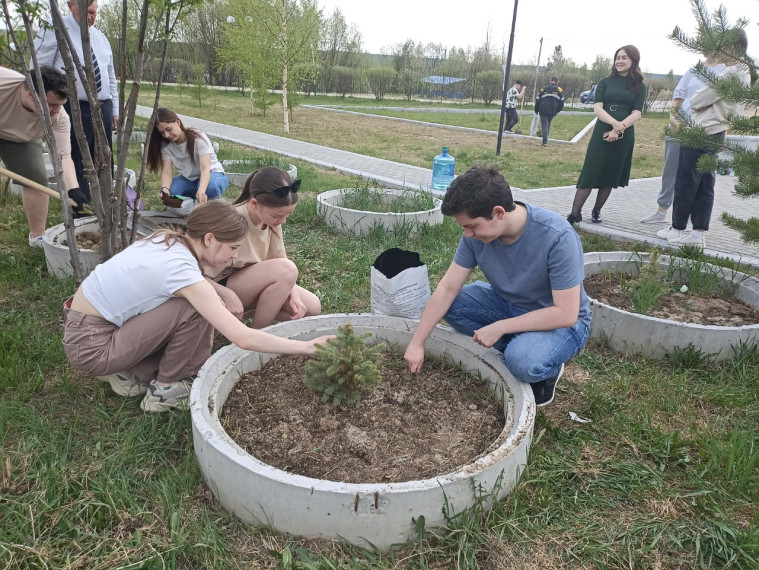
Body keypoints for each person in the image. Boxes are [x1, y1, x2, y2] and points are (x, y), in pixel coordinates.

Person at [62, 199, 333, 413]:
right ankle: (165, 391)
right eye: (233, 248)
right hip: (91, 346)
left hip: (87, 327)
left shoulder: (166, 239)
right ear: (210, 239)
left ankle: (127, 371)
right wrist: (306, 347)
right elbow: (242, 337)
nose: (235, 256)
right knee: (197, 308)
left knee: (199, 299)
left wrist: (221, 291)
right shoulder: (183, 273)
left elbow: (178, 281)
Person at [403, 164, 592, 407]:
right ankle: (518, 342)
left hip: (562, 323)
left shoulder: (557, 237)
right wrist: (417, 343)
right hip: (509, 305)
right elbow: (447, 288)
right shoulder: (476, 235)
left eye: (471, 226)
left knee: (522, 362)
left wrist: (500, 326)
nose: (468, 235)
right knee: (450, 305)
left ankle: (546, 367)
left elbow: (566, 314)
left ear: (499, 213)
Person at [657, 29, 754, 248]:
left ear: (732, 45)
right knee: (705, 183)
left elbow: (698, 99)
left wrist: (702, 102)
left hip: (703, 130)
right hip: (717, 129)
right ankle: (698, 233)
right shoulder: (744, 71)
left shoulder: (731, 72)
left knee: (686, 181)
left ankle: (678, 228)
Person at [202, 166, 321, 329]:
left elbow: (281, 258)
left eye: (287, 215)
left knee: (312, 308)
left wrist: (294, 296)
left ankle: (252, 316)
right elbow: (194, 271)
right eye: (278, 216)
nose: (283, 221)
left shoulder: (271, 221)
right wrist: (226, 293)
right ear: (254, 204)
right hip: (218, 289)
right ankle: (258, 334)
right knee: (286, 269)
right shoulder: (232, 221)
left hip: (253, 284)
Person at [35, 0, 118, 205]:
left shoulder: (101, 38)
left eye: (94, 12)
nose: (91, 17)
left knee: (104, 156)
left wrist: (114, 109)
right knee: (76, 157)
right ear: (71, 5)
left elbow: (111, 76)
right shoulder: (55, 30)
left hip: (103, 106)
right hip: (71, 107)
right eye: (87, 12)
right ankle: (81, 206)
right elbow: (40, 70)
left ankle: (106, 201)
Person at [0, 65, 89, 247]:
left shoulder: (59, 117)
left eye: (61, 105)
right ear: (31, 94)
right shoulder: (3, 83)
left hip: (22, 137)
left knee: (37, 181)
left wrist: (73, 190)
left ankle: (38, 237)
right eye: (52, 105)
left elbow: (63, 157)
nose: (57, 110)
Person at [567, 46, 647, 225]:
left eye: (624, 57)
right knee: (590, 171)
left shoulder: (640, 86)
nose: (619, 61)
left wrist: (620, 128)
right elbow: (597, 108)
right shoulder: (605, 82)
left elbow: (637, 113)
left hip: (624, 136)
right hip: (602, 132)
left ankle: (596, 211)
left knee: (610, 174)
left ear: (633, 60)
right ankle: (574, 213)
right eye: (617, 57)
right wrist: (614, 124)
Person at [641, 55, 725, 224]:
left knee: (695, 176)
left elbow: (725, 108)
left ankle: (687, 220)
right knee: (670, 169)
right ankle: (661, 210)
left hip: (704, 130)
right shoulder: (694, 69)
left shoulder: (725, 72)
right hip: (679, 128)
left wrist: (724, 134)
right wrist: (674, 119)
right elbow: (677, 98)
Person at [147, 107, 229, 205]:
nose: (167, 135)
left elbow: (205, 168)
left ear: (177, 122)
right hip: (190, 180)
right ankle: (190, 208)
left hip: (213, 175)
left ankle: (215, 207)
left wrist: (201, 190)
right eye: (162, 133)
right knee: (171, 193)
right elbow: (167, 171)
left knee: (209, 187)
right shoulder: (166, 147)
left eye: (168, 129)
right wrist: (165, 189)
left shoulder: (198, 138)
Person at [534, 76, 564, 146]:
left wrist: (536, 110)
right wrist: (558, 110)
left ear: (550, 80)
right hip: (553, 109)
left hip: (543, 108)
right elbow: (562, 102)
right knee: (548, 124)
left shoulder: (543, 88)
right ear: (557, 82)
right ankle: (545, 139)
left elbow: (538, 99)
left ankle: (545, 141)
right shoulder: (559, 89)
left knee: (544, 124)